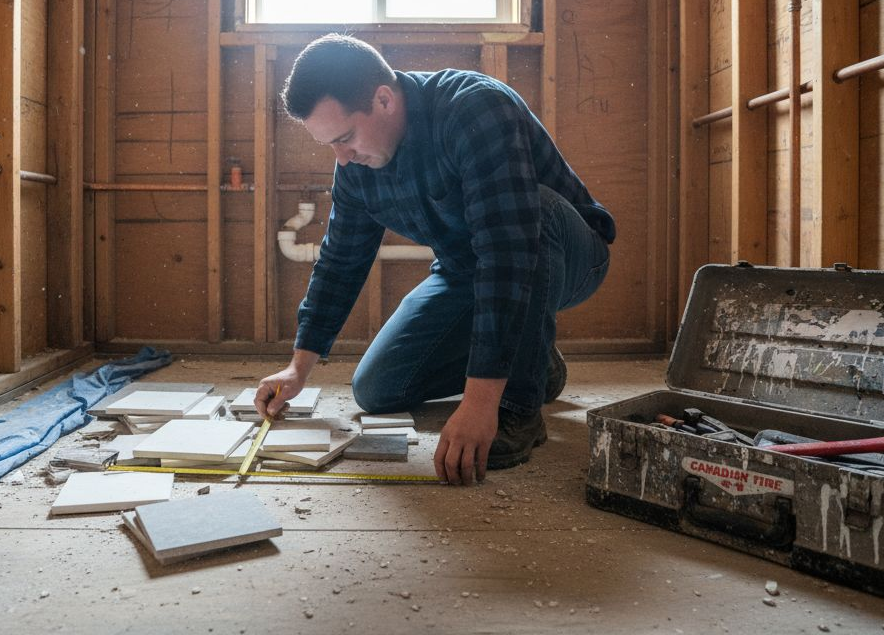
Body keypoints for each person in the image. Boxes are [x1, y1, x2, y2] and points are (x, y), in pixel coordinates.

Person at [254, 34, 615, 485]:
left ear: (383, 99)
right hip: (467, 269)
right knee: (380, 388)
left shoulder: (474, 109)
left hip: (564, 254)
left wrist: (482, 404)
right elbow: (340, 261)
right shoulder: (356, 167)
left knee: (533, 215)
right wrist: (298, 367)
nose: (342, 159)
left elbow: (508, 254)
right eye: (330, 145)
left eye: (345, 137)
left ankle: (520, 406)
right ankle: (537, 362)